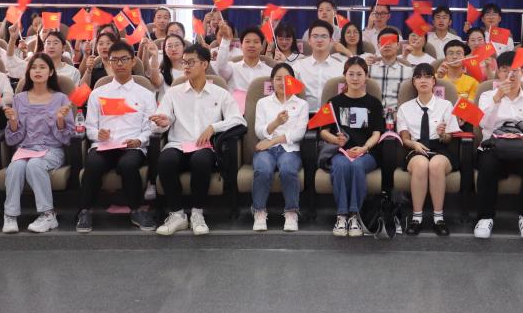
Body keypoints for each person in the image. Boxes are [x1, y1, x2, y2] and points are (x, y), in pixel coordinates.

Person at [151, 43, 246, 237]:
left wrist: (213, 127)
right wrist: (163, 123)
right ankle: (177, 215)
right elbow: (160, 121)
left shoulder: (220, 93)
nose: (185, 66)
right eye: (184, 62)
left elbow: (239, 120)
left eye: (191, 62)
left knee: (200, 160)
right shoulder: (173, 92)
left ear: (204, 64)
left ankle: (197, 214)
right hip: (178, 144)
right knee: (165, 160)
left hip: (204, 147)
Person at [76, 41, 157, 233]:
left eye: (124, 59)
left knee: (128, 165)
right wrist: (97, 134)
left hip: (132, 146)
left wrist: (139, 140)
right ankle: (85, 211)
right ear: (109, 62)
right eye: (115, 60)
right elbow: (90, 126)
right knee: (93, 164)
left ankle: (136, 210)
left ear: (133, 61)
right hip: (104, 145)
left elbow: (150, 126)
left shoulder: (145, 94)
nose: (119, 63)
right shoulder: (98, 93)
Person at [473, 51, 523, 240]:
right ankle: (485, 218)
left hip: (522, 148)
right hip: (493, 148)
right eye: (505, 70)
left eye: (515, 70)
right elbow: (483, 125)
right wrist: (497, 99)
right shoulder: (487, 96)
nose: (510, 75)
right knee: (487, 165)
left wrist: (522, 139)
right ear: (498, 72)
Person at [2, 53, 73, 234]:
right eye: (33, 67)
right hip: (25, 149)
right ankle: (10, 215)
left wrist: (59, 120)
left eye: (42, 67)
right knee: (15, 167)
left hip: (51, 149)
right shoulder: (19, 99)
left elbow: (67, 138)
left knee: (35, 164)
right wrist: (13, 122)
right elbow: (12, 139)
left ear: (51, 72)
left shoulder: (61, 99)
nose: (37, 71)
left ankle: (48, 215)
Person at [321, 57, 384, 238]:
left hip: (366, 153)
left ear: (366, 76)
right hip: (341, 152)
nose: (355, 78)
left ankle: (355, 215)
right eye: (351, 74)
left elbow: (377, 133)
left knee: (356, 165)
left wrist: (364, 148)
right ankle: (342, 215)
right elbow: (323, 131)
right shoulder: (334, 102)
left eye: (359, 74)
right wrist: (335, 140)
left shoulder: (374, 103)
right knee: (342, 165)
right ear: (345, 76)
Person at [397, 63, 459, 236]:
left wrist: (443, 134)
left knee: (436, 165)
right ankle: (417, 218)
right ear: (413, 82)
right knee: (421, 164)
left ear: (434, 81)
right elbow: (405, 139)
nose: (423, 80)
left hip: (440, 147)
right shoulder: (405, 108)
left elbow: (449, 138)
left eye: (427, 77)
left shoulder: (446, 105)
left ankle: (438, 218)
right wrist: (414, 145)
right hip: (416, 147)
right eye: (418, 77)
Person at [251, 63, 308, 232]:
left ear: (293, 81)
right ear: (272, 81)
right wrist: (276, 122)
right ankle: (259, 211)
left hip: (289, 149)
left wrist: (272, 141)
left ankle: (291, 212)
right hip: (266, 150)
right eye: (278, 79)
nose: (282, 82)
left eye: (286, 79)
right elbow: (259, 131)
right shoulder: (263, 103)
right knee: (263, 170)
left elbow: (298, 133)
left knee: (288, 170)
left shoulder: (301, 104)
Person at [293, 20, 345, 112]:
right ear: (309, 41)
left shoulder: (341, 67)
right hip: (305, 115)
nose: (319, 40)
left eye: (324, 36)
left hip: (332, 116)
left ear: (331, 41)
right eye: (315, 36)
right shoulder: (298, 66)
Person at [212, 25, 271, 93]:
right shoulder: (232, 68)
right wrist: (225, 40)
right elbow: (220, 68)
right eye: (247, 41)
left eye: (256, 42)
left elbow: (270, 96)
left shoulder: (269, 72)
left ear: (261, 47)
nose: (251, 45)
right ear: (241, 45)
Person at [370, 27, 411, 111]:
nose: (387, 45)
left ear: (398, 45)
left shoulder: (409, 72)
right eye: (384, 41)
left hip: (398, 115)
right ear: (378, 46)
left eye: (391, 41)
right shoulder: (368, 70)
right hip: (373, 114)